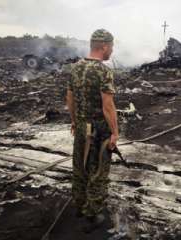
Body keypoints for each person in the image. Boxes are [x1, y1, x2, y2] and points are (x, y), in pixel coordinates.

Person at [66, 29, 118, 231]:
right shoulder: (103, 71)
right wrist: (114, 132)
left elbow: (69, 98)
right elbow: (108, 106)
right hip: (97, 130)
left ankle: (79, 206)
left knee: (79, 167)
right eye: (111, 47)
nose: (112, 51)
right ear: (104, 46)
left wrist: (73, 121)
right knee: (98, 172)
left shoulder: (75, 68)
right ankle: (92, 214)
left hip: (79, 126)